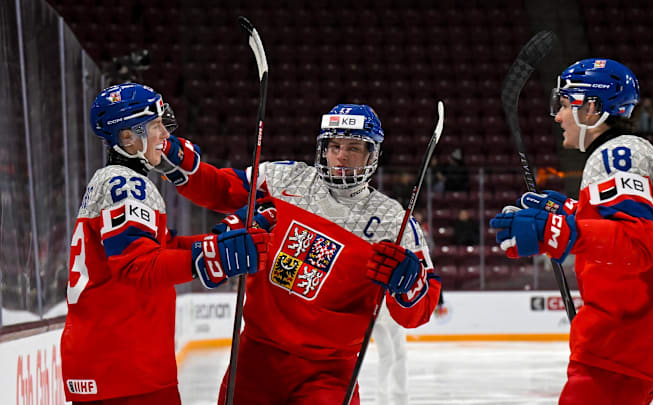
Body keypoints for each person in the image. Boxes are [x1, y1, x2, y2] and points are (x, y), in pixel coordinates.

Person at [161, 104, 441, 404]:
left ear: (373, 155)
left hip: (330, 373)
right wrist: (172, 157)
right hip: (255, 359)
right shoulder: (284, 180)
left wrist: (410, 286)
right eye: (334, 146)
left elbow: (420, 310)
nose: (341, 156)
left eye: (354, 148)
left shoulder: (392, 221)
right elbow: (220, 189)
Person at [489, 59, 653, 404]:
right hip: (640, 339)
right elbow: (637, 224)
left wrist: (555, 231)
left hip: (622, 340)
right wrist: (572, 211)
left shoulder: (615, 154)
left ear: (592, 108)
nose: (557, 116)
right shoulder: (639, 151)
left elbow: (638, 244)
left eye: (564, 103)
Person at [60, 83, 270, 404]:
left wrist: (224, 239)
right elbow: (138, 266)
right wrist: (214, 258)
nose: (164, 136)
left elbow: (162, 249)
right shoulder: (127, 184)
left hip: (109, 362)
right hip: (126, 368)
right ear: (128, 137)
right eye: (155, 126)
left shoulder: (113, 180)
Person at [372, 302, 409, 405]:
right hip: (379, 309)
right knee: (389, 355)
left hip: (390, 308)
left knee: (398, 354)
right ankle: (383, 394)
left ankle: (399, 393)